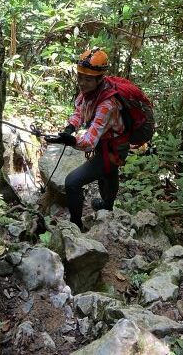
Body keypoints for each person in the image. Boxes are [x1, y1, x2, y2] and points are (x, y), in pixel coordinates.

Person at [46, 48, 129, 230]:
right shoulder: (89, 92)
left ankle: (76, 225)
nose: (82, 83)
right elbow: (79, 112)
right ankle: (107, 206)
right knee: (107, 174)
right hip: (106, 143)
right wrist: (70, 128)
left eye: (88, 79)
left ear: (100, 79)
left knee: (73, 182)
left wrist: (72, 141)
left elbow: (89, 141)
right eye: (80, 77)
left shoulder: (107, 103)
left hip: (114, 148)